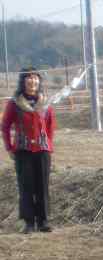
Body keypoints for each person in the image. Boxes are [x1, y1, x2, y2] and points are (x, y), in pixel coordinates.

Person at [2, 67, 56, 233]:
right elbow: (5, 127)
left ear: (39, 81)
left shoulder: (45, 103)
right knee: (26, 186)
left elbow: (50, 126)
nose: (32, 81)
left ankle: (43, 221)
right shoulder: (14, 103)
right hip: (23, 150)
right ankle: (29, 223)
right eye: (28, 78)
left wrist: (47, 144)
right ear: (23, 81)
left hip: (42, 150)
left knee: (42, 185)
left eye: (35, 78)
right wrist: (9, 147)